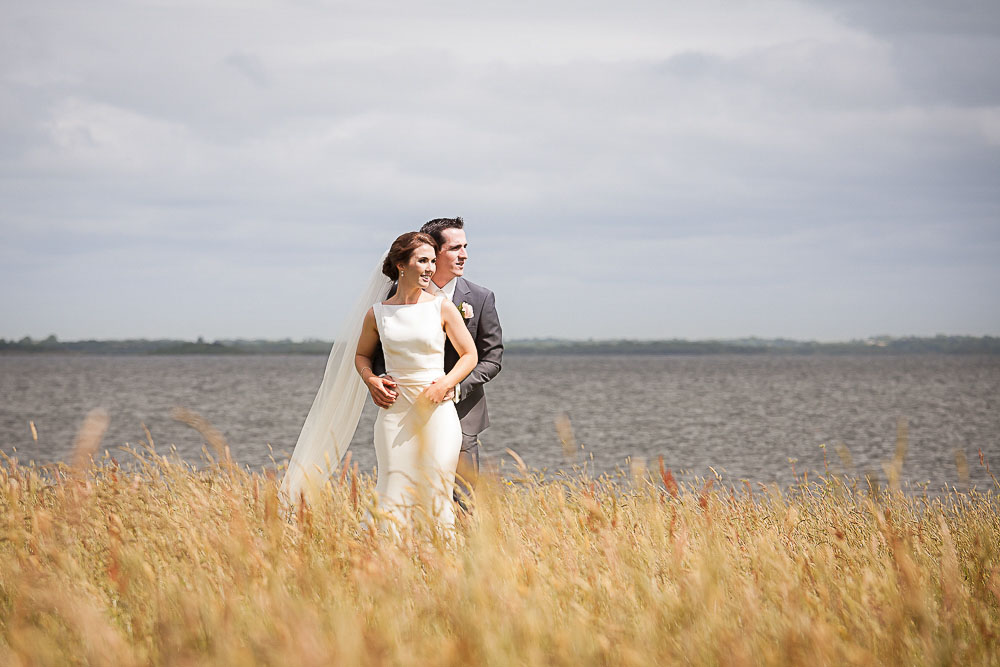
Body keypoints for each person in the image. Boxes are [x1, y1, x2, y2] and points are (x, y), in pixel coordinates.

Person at [280, 231, 477, 532]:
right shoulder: (378, 314)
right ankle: (389, 561)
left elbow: (469, 355)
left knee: (436, 489)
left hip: (438, 411)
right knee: (392, 486)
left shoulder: (442, 307)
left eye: (432, 262)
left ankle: (438, 563)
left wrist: (444, 384)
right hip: (395, 413)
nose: (429, 269)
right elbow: (360, 356)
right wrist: (372, 380)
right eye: (422, 261)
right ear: (401, 264)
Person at [371, 218, 503, 508]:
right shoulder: (391, 297)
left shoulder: (480, 298)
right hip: (404, 410)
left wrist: (451, 387)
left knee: (461, 500)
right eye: (455, 248)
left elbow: (491, 358)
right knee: (402, 494)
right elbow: (378, 351)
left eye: (465, 247)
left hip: (461, 413)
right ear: (434, 251)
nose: (464, 255)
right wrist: (377, 380)